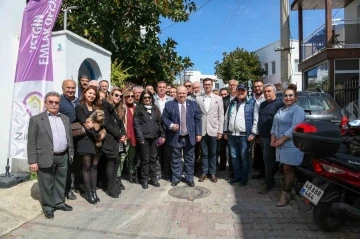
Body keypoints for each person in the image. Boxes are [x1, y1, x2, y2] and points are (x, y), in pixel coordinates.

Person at [28, 91, 74, 219]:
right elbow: (31, 142)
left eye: (56, 102)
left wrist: (71, 153)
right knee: (46, 183)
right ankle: (48, 207)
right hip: (46, 156)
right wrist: (32, 161)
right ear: (46, 103)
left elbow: (69, 137)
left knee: (61, 181)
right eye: (51, 102)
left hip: (63, 156)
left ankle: (59, 202)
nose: (54, 105)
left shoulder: (65, 118)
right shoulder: (36, 120)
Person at [271, 84, 305, 206]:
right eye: (286, 95)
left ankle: (284, 195)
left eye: (291, 95)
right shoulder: (281, 110)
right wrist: (273, 137)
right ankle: (290, 190)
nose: (288, 97)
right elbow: (274, 125)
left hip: (291, 144)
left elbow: (295, 127)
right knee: (285, 169)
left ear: (295, 97)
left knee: (287, 169)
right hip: (280, 145)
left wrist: (281, 140)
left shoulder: (298, 110)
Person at [162, 86, 202, 187]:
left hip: (190, 136)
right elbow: (164, 118)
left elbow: (198, 120)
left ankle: (189, 178)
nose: (181, 95)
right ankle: (176, 178)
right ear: (176, 93)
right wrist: (171, 125)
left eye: (183, 93)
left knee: (190, 159)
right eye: (179, 93)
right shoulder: (169, 104)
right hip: (175, 136)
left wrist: (198, 133)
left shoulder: (193, 104)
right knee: (175, 158)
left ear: (187, 93)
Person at [75, 85, 105, 204]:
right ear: (85, 93)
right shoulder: (80, 107)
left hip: (96, 142)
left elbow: (103, 122)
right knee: (86, 166)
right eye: (90, 93)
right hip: (86, 140)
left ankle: (94, 191)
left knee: (94, 166)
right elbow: (85, 125)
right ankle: (89, 193)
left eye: (94, 94)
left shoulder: (97, 107)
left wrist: (96, 128)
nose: (92, 95)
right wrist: (97, 135)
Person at [223, 84, 256, 186]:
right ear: (236, 92)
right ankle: (237, 176)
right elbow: (226, 118)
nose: (241, 93)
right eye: (239, 91)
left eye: (243, 91)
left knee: (244, 157)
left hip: (244, 136)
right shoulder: (232, 103)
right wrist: (225, 131)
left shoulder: (251, 103)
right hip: (232, 135)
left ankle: (244, 177)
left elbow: (255, 119)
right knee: (234, 157)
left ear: (246, 92)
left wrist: (253, 133)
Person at [134, 91, 166, 189]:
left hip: (155, 138)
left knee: (153, 159)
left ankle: (153, 178)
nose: (147, 99)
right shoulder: (139, 109)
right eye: (145, 98)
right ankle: (144, 179)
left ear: (152, 98)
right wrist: (140, 137)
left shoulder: (155, 108)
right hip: (144, 139)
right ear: (142, 99)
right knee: (145, 160)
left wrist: (162, 135)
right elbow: (137, 124)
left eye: (149, 97)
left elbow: (159, 122)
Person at [257, 83, 284, 194]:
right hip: (262, 137)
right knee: (266, 160)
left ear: (274, 92)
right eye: (265, 91)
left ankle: (268, 183)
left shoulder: (279, 104)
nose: (266, 93)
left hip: (271, 138)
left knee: (268, 161)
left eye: (269, 91)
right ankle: (270, 180)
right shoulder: (262, 104)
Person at [196, 78, 224, 183]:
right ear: (203, 85)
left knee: (213, 153)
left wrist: (220, 131)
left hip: (214, 129)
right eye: (205, 84)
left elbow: (221, 116)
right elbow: (197, 116)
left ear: (212, 85)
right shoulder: (198, 99)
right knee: (204, 153)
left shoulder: (218, 99)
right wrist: (197, 131)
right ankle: (204, 172)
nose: (207, 86)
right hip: (202, 130)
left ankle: (212, 172)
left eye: (209, 84)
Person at [101, 88, 126, 198]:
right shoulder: (105, 106)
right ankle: (110, 187)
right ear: (110, 95)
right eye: (116, 95)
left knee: (116, 162)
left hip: (118, 140)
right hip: (110, 139)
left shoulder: (118, 108)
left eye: (120, 96)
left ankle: (114, 183)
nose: (118, 97)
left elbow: (121, 124)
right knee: (111, 163)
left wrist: (123, 134)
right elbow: (106, 124)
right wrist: (119, 135)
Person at [59, 79, 79, 200]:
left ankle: (73, 186)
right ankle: (67, 189)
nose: (71, 90)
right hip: (64, 138)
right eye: (68, 88)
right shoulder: (59, 101)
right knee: (67, 165)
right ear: (63, 88)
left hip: (78, 137)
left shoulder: (78, 101)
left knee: (75, 164)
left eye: (73, 88)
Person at [154, 81, 173, 180]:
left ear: (166, 88)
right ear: (157, 88)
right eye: (159, 87)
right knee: (157, 152)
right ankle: (158, 173)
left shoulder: (172, 100)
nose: (161, 89)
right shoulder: (152, 99)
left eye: (163, 87)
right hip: (156, 130)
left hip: (168, 130)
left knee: (168, 152)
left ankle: (168, 173)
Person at [117, 89, 138, 184]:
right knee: (122, 158)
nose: (130, 98)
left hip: (134, 137)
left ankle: (132, 174)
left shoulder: (136, 108)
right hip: (124, 137)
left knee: (132, 157)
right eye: (128, 96)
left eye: (132, 96)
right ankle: (118, 177)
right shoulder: (121, 107)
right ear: (124, 98)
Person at [223, 79, 238, 177]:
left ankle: (240, 170)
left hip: (240, 130)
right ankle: (232, 169)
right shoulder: (224, 99)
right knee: (230, 151)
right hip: (228, 128)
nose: (232, 86)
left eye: (234, 85)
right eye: (230, 85)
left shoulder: (241, 97)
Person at [251, 80, 266, 179]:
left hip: (264, 130)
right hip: (253, 129)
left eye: (259, 86)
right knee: (257, 151)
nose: (257, 88)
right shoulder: (251, 99)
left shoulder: (266, 99)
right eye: (255, 86)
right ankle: (259, 169)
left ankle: (265, 174)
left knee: (264, 153)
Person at [218, 88, 230, 171]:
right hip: (220, 129)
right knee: (221, 149)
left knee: (230, 149)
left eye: (225, 94)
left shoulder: (230, 102)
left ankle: (231, 167)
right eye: (221, 94)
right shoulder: (218, 103)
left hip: (229, 129)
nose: (223, 96)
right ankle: (222, 165)